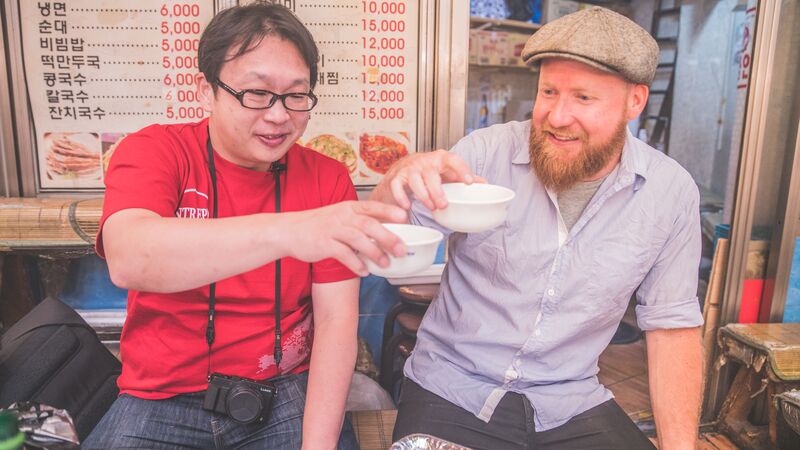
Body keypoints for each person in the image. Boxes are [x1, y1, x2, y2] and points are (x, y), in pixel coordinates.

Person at [372, 7, 703, 450]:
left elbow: (672, 328)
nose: (557, 116)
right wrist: (399, 177)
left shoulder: (669, 192)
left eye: (583, 98)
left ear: (634, 102)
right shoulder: (485, 155)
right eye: (549, 91)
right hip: (452, 389)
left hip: (570, 401)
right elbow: (383, 240)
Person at [84, 3, 408, 449]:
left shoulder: (327, 177)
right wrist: (289, 231)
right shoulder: (157, 150)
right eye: (256, 93)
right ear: (206, 90)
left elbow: (335, 322)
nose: (279, 116)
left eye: (297, 95)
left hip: (285, 387)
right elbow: (130, 258)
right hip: (160, 396)